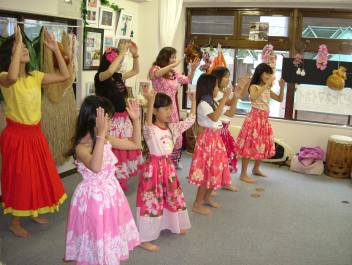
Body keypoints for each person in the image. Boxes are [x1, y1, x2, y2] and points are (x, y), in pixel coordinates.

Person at [0, 27, 69, 237]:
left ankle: (32, 211)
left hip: (35, 135)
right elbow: (12, 76)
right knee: (19, 179)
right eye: (19, 48)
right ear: (9, 55)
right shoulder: (4, 77)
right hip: (16, 136)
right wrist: (18, 40)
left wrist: (54, 49)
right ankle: (14, 221)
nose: (25, 50)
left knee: (37, 177)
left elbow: (65, 75)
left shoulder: (35, 76)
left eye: (24, 47)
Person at [65, 96, 141, 265]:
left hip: (111, 194)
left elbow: (135, 144)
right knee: (97, 234)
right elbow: (96, 166)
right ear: (95, 121)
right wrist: (100, 135)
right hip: (94, 200)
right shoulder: (81, 147)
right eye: (109, 120)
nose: (112, 124)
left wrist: (136, 120)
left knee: (110, 232)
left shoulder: (107, 139)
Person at [136, 88, 196, 252]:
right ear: (155, 110)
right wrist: (150, 102)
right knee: (151, 202)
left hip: (168, 169)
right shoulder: (150, 130)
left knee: (171, 198)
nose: (170, 111)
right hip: (153, 169)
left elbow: (190, 120)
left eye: (171, 108)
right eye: (166, 108)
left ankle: (171, 224)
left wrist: (193, 100)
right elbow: (147, 124)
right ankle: (144, 237)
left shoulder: (172, 128)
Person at [95, 41, 143, 190]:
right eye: (118, 59)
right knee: (114, 151)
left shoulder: (119, 76)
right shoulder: (101, 76)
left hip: (123, 118)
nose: (121, 62)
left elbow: (135, 70)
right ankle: (112, 180)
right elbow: (109, 72)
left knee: (126, 148)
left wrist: (135, 55)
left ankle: (120, 179)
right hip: (111, 120)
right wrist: (122, 52)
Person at [188, 74, 233, 215]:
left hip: (215, 139)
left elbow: (230, 113)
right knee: (206, 172)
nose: (217, 88)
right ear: (208, 87)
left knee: (216, 169)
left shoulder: (212, 102)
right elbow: (214, 117)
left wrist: (235, 96)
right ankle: (197, 204)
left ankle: (207, 198)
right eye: (215, 86)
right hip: (207, 140)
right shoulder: (203, 104)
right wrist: (225, 98)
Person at [149, 47, 199, 168]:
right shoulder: (156, 69)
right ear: (164, 57)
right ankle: (160, 159)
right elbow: (156, 74)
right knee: (160, 134)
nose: (174, 60)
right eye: (172, 57)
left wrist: (192, 69)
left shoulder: (173, 73)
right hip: (160, 107)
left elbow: (187, 80)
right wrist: (173, 65)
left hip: (173, 108)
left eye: (175, 57)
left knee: (176, 134)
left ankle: (174, 160)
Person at [236, 63, 285, 184]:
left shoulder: (267, 88)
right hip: (254, 118)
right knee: (249, 145)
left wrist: (282, 87)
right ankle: (243, 174)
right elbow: (253, 97)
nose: (268, 76)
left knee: (261, 144)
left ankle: (256, 168)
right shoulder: (254, 86)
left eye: (270, 73)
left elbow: (279, 99)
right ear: (260, 73)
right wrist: (268, 84)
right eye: (266, 73)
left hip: (263, 119)